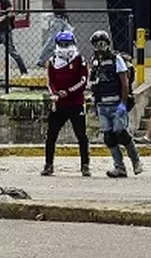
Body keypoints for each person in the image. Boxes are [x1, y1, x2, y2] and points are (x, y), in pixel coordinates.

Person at [89, 30, 142, 178]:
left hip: (116, 104)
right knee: (109, 137)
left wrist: (123, 104)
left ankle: (136, 161)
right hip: (102, 106)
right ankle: (119, 167)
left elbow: (124, 83)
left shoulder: (116, 59)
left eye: (102, 44)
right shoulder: (94, 62)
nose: (100, 47)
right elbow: (93, 83)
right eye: (97, 44)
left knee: (121, 134)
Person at [42, 31, 90, 177]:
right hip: (59, 104)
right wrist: (55, 93)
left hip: (76, 103)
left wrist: (68, 92)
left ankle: (85, 165)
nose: (64, 47)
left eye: (67, 44)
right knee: (51, 135)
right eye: (62, 44)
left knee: (81, 135)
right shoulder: (52, 62)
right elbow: (50, 81)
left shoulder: (80, 60)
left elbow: (83, 81)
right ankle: (48, 164)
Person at [37, 0, 74, 68]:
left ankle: (70, 59)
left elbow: (63, 7)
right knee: (52, 42)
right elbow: (59, 5)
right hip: (58, 19)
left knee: (70, 38)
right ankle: (41, 60)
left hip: (63, 19)